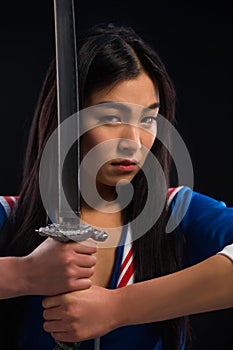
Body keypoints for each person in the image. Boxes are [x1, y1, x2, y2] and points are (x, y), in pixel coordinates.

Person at [0, 22, 233, 350]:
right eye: (111, 119)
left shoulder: (179, 212)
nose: (135, 143)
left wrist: (117, 308)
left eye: (148, 119)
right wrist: (23, 274)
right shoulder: (8, 217)